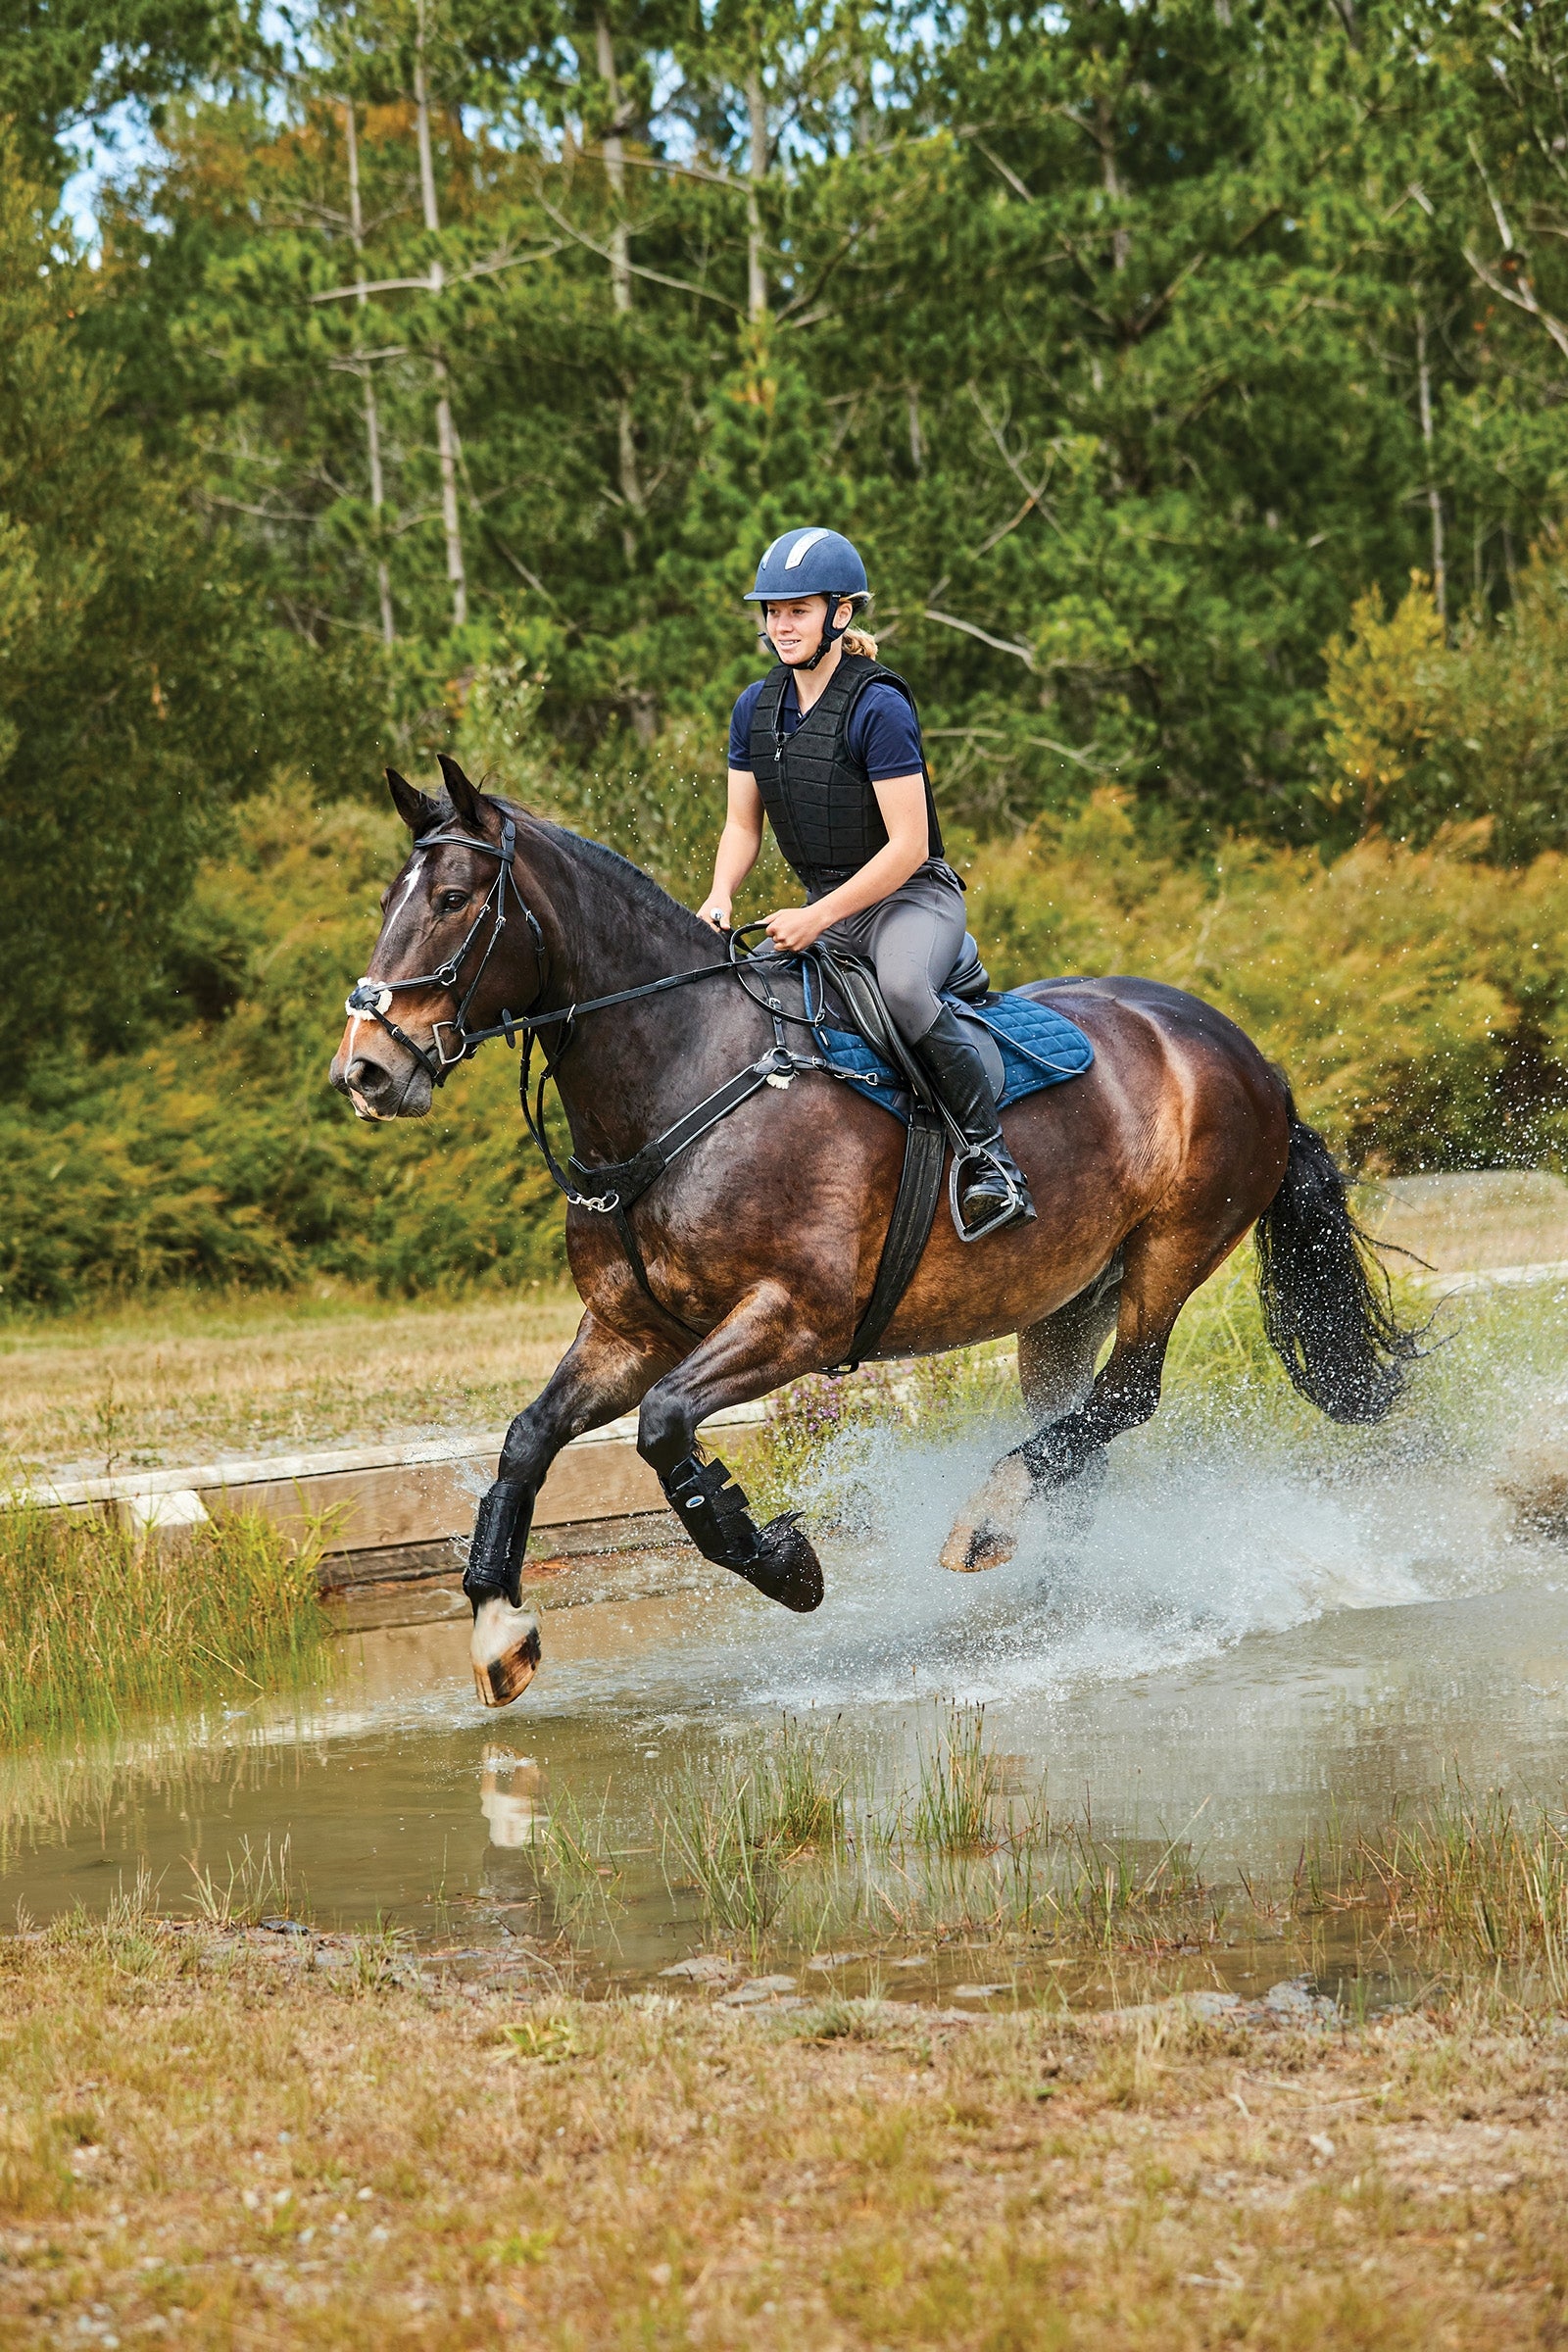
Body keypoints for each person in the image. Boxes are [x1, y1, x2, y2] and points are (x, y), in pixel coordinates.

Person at [699, 525, 1036, 1236]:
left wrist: (818, 919)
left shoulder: (877, 706)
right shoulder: (752, 710)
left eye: (797, 610)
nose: (780, 625)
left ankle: (990, 1161)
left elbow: (909, 845)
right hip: (828, 906)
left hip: (910, 897)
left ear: (840, 613)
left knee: (906, 991)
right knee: (737, 1001)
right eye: (772, 611)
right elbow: (742, 828)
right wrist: (720, 894)